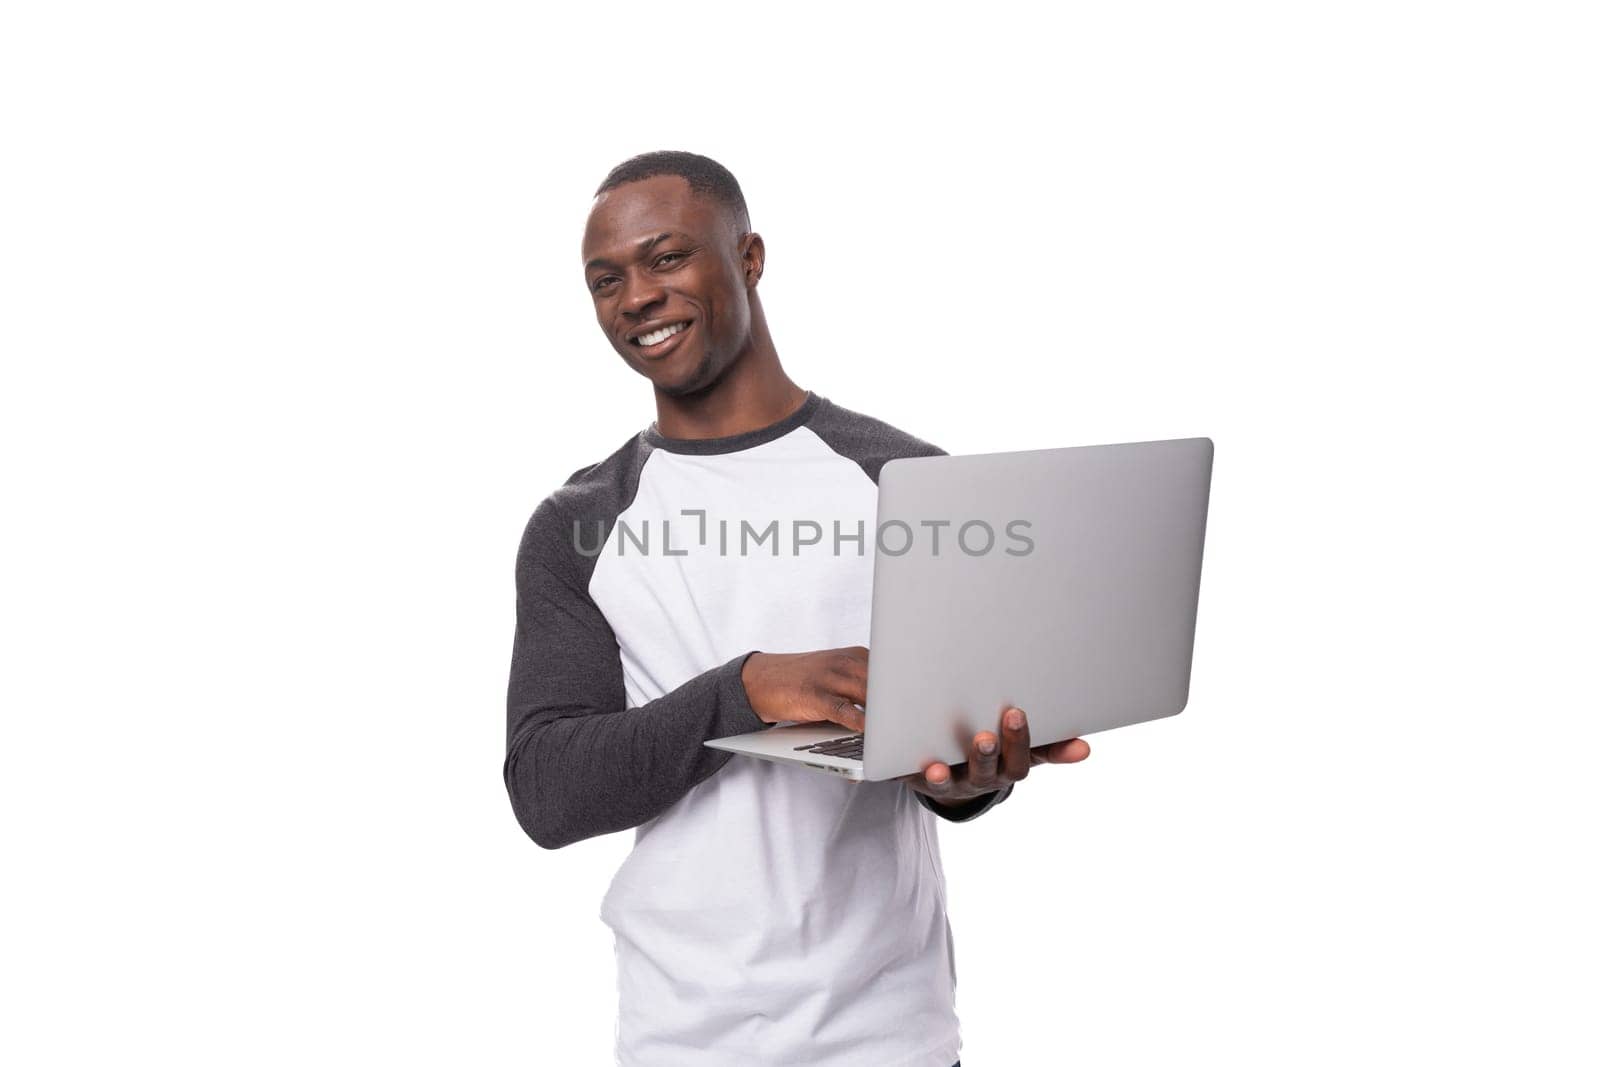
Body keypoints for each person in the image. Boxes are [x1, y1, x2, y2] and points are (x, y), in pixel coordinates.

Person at [504, 150, 1091, 1066]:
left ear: (749, 256)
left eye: (667, 258)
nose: (637, 296)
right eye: (605, 279)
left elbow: (946, 751)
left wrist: (973, 785)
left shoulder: (907, 484)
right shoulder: (579, 524)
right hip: (680, 1037)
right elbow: (548, 788)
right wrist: (747, 688)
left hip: (889, 1034)